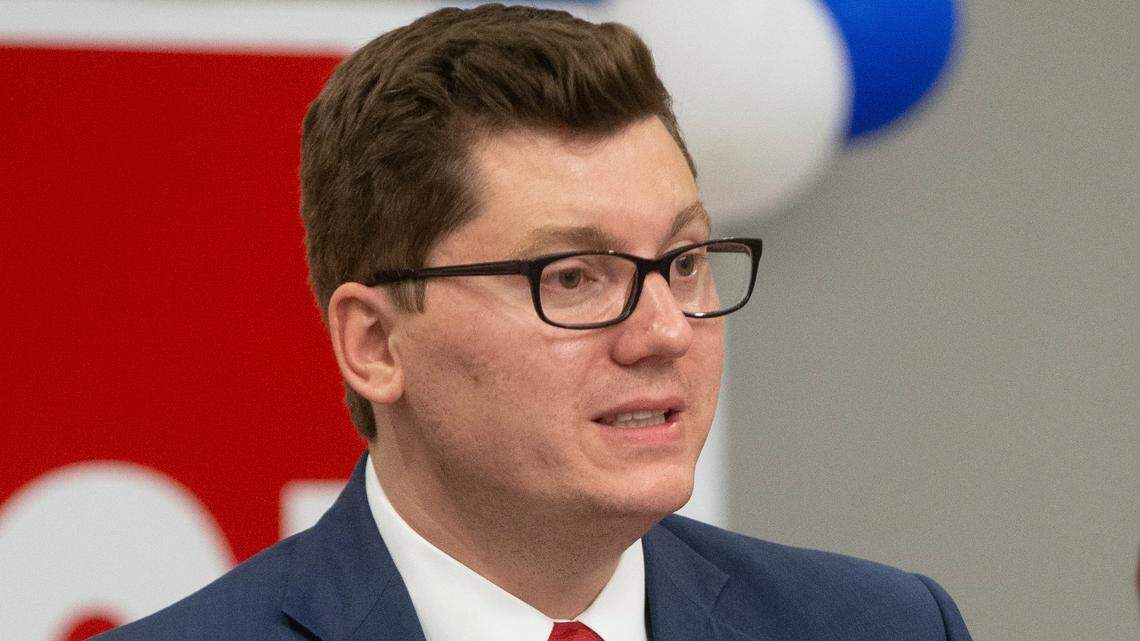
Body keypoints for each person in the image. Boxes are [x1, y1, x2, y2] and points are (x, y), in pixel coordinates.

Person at [96, 4, 971, 640]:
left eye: (684, 261)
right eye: (574, 276)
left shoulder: (884, 625)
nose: (665, 331)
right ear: (374, 342)